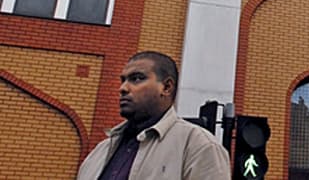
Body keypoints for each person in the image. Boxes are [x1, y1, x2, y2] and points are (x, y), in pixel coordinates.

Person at [77, 51, 230, 179]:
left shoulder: (198, 146)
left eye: (136, 79)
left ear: (166, 87)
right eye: (123, 80)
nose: (123, 88)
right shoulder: (101, 150)